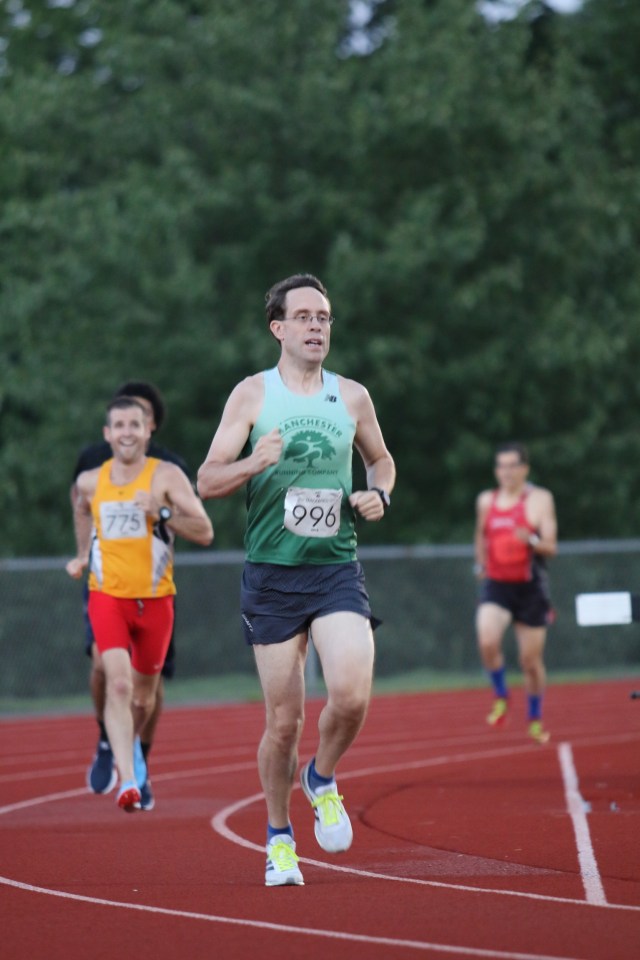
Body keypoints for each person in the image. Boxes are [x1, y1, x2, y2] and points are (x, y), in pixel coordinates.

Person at [197, 273, 395, 886]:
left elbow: (380, 460)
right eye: (305, 317)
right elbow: (207, 479)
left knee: (352, 695)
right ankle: (279, 836)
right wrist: (254, 461)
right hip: (272, 576)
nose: (316, 327)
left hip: (335, 569)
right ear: (278, 327)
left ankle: (322, 776)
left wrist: (379, 494)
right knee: (284, 724)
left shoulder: (352, 397)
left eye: (325, 318)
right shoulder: (251, 396)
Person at [67, 397, 213, 811]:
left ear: (148, 430)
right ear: (107, 433)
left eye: (135, 424)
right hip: (107, 595)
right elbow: (81, 508)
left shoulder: (166, 475)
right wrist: (82, 554)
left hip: (156, 601)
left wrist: (162, 512)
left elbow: (204, 531)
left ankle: (129, 748)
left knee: (143, 699)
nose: (127, 432)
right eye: (119, 425)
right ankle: (128, 780)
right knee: (117, 683)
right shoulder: (91, 480)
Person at [474, 441, 557, 744]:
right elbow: (480, 535)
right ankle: (501, 695)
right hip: (497, 585)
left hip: (530, 588)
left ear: (525, 469)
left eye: (512, 466)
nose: (506, 472)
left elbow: (551, 546)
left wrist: (531, 540)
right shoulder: (487, 500)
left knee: (530, 662)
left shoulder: (540, 499)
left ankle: (534, 718)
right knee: (487, 639)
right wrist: (480, 564)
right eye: (501, 466)